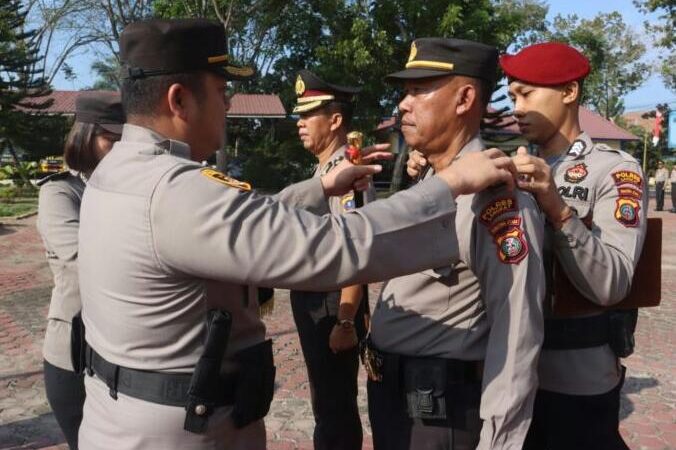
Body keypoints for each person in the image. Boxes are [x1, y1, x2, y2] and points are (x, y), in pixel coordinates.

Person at [76, 19, 519, 450]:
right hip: (180, 433)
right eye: (220, 91)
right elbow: (332, 246)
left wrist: (322, 186)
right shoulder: (176, 190)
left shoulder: (117, 170)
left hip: (119, 415)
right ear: (179, 101)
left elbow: (237, 223)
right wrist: (448, 186)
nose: (228, 104)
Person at [408, 42, 649, 450]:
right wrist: (434, 170)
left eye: (527, 94)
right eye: (512, 94)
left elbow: (612, 284)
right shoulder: (503, 164)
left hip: (574, 379)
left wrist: (558, 209)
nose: (516, 107)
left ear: (569, 93)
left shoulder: (615, 170)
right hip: (503, 373)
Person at [367, 37, 546, 450]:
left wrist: (500, 441)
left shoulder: (497, 200)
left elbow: (517, 332)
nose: (402, 104)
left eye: (417, 90)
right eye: (404, 92)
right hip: (398, 402)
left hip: (439, 413)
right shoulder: (433, 183)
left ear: (465, 98)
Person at [36, 92, 124, 449]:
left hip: (118, 350)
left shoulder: (126, 190)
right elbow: (79, 259)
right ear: (84, 136)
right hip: (72, 353)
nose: (119, 148)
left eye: (124, 139)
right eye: (110, 138)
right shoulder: (61, 192)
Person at [291, 70, 373, 450]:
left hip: (333, 302)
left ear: (336, 120)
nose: (300, 124)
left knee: (335, 407)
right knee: (325, 403)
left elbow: (355, 252)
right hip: (315, 297)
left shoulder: (347, 171)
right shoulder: (324, 168)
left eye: (308, 116)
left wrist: (345, 317)